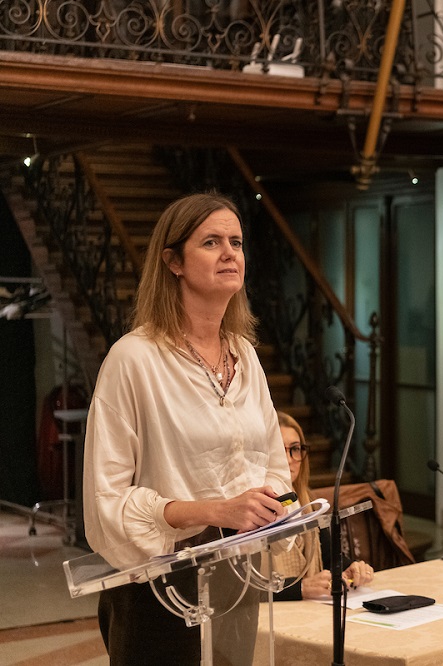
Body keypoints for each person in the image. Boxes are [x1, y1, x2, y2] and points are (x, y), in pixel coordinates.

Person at [83, 192, 293, 665]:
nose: (229, 254)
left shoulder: (246, 354)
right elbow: (105, 503)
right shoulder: (134, 359)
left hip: (239, 575)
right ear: (173, 261)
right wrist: (214, 510)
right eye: (211, 242)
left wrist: (275, 507)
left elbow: (274, 469)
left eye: (236, 242)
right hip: (160, 588)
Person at [272, 411, 374, 601]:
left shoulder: (308, 501)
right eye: (279, 450)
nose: (288, 460)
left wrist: (351, 567)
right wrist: (299, 588)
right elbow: (242, 586)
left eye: (295, 449)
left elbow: (330, 558)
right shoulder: (251, 510)